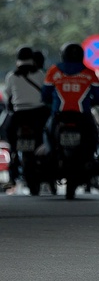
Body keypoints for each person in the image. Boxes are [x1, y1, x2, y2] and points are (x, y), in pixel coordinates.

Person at [41, 43, 99, 156]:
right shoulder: (90, 73)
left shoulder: (53, 71)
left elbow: (45, 96)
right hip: (83, 117)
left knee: (47, 133)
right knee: (94, 136)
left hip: (59, 116)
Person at [3, 46, 50, 189]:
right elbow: (47, 94)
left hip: (19, 115)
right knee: (47, 134)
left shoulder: (11, 76)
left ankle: (13, 163)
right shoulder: (41, 74)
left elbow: (8, 96)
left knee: (10, 138)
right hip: (39, 114)